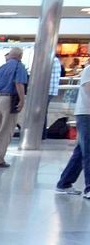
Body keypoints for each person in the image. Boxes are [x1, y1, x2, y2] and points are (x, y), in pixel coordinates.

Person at [55, 63, 90, 197]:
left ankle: (64, 183)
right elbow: (88, 89)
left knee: (81, 151)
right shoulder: (89, 69)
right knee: (88, 150)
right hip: (86, 114)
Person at [43, 53, 62, 139]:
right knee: (43, 112)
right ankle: (42, 134)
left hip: (46, 90)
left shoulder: (50, 61)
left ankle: (41, 134)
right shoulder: (56, 61)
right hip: (51, 90)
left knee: (41, 113)